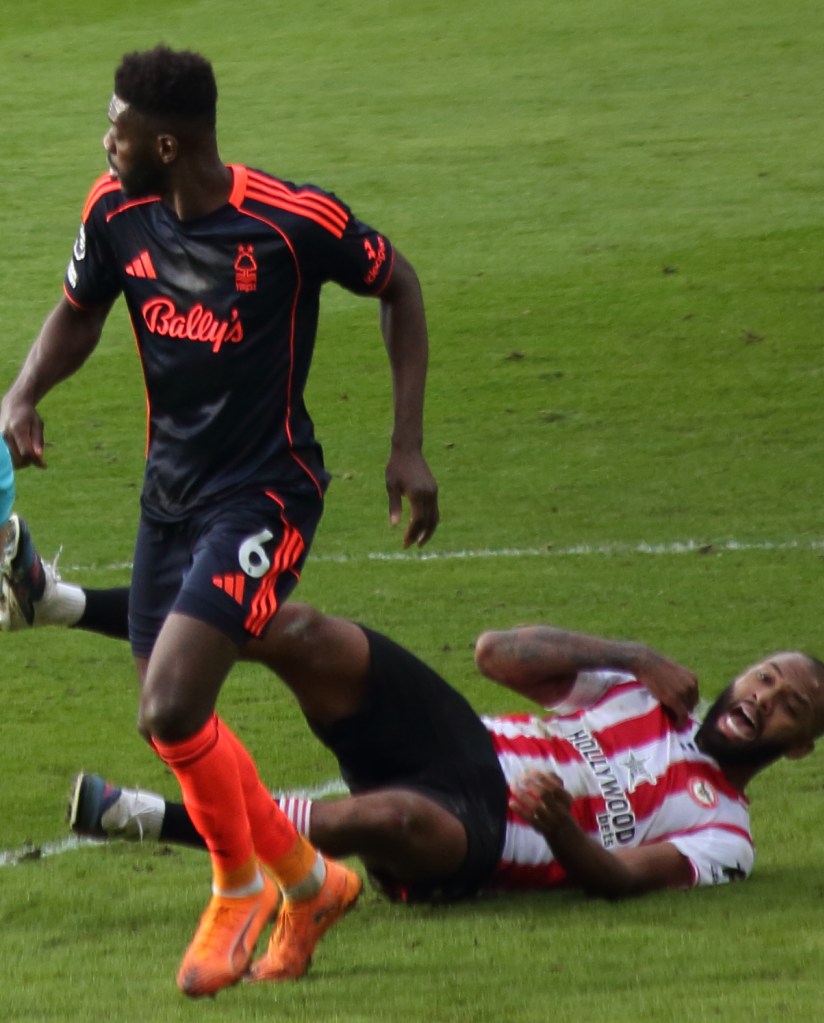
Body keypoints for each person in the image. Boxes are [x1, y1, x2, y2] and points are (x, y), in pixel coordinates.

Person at [0, 45, 439, 998]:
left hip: (265, 493)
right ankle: (312, 883)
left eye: (116, 128)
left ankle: (237, 885)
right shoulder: (114, 211)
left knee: (168, 707)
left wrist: (405, 446)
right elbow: (79, 310)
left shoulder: (288, 221)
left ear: (165, 143)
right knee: (174, 723)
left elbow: (398, 283)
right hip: (169, 496)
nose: (104, 141)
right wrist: (23, 392)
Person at [1, 521, 824, 901]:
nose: (763, 699)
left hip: (485, 838)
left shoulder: (725, 833)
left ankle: (148, 818)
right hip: (459, 744)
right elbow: (496, 653)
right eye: (766, 678)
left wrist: (560, 829)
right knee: (303, 631)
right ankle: (57, 602)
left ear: (797, 745)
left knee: (387, 819)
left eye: (788, 706)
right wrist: (630, 653)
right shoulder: (638, 694)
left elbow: (623, 880)